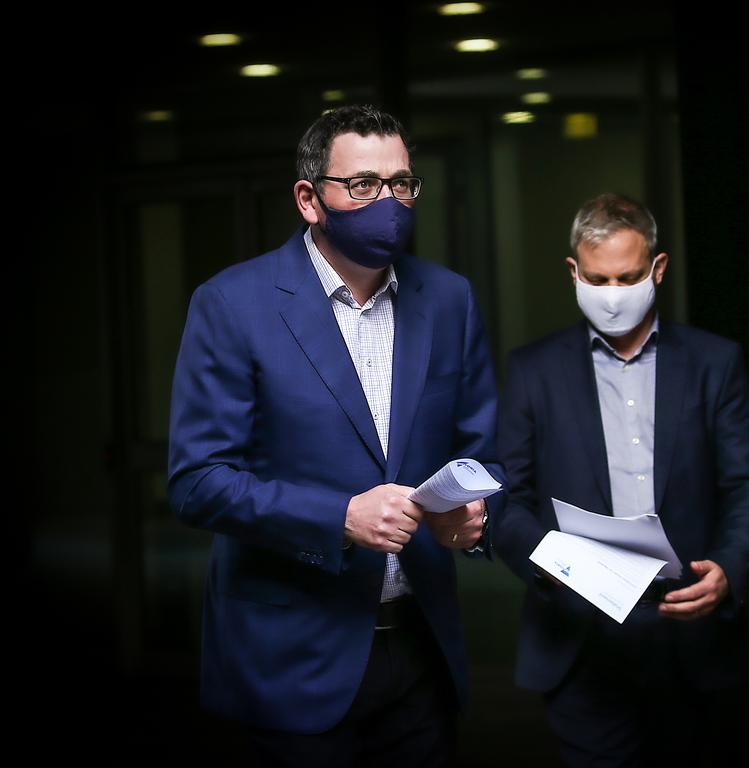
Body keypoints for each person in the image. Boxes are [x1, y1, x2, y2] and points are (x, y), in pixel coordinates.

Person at [168, 104, 502, 767]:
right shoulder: (234, 305)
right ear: (309, 198)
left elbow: (480, 448)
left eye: (402, 184)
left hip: (420, 658)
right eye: (363, 185)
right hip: (291, 660)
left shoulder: (449, 299)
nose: (389, 203)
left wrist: (471, 514)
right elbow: (197, 482)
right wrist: (340, 517)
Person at [494, 193, 749, 766]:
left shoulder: (714, 364)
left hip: (691, 634)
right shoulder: (533, 371)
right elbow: (507, 500)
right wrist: (556, 562)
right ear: (574, 271)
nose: (614, 294)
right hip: (579, 635)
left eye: (628, 277)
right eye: (598, 279)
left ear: (658, 268)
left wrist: (730, 568)